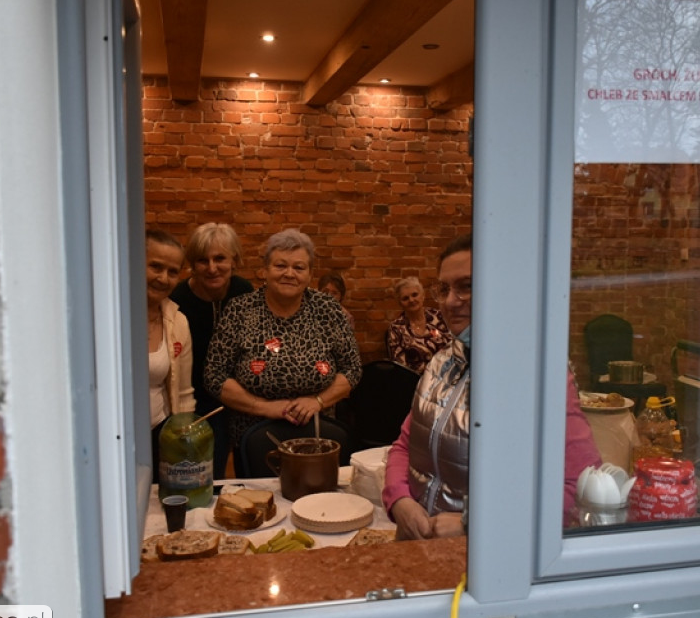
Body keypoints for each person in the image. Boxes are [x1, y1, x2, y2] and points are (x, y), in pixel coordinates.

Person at [382, 234, 602, 539]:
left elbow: (578, 489)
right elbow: (406, 445)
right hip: (421, 546)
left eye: (467, 286)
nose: (449, 301)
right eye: (444, 288)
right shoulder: (441, 363)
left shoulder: (538, 374)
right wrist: (400, 500)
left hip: (486, 563)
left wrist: (470, 527)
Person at [203, 229, 362, 476]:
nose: (289, 274)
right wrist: (265, 407)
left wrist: (317, 401)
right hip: (254, 440)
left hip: (317, 437)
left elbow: (352, 369)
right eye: (280, 265)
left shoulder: (328, 310)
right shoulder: (239, 311)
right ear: (265, 270)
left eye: (299, 268)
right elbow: (214, 376)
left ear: (309, 274)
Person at [170, 222, 254, 479]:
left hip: (239, 398)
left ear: (234, 260)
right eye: (202, 260)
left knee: (243, 469)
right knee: (202, 471)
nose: (212, 268)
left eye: (220, 258)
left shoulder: (244, 292)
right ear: (192, 265)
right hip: (193, 401)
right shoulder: (178, 298)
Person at [145, 229, 196, 483]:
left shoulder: (178, 323)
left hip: (158, 435)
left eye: (173, 271)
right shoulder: (107, 314)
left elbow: (184, 393)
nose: (163, 278)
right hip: (112, 440)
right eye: (155, 267)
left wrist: (184, 442)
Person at [386, 276, 453, 373]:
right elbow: (399, 366)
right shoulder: (396, 328)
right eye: (405, 298)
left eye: (415, 295)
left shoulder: (439, 317)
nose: (411, 300)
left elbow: (454, 346)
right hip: (414, 381)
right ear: (400, 303)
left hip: (446, 374)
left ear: (423, 295)